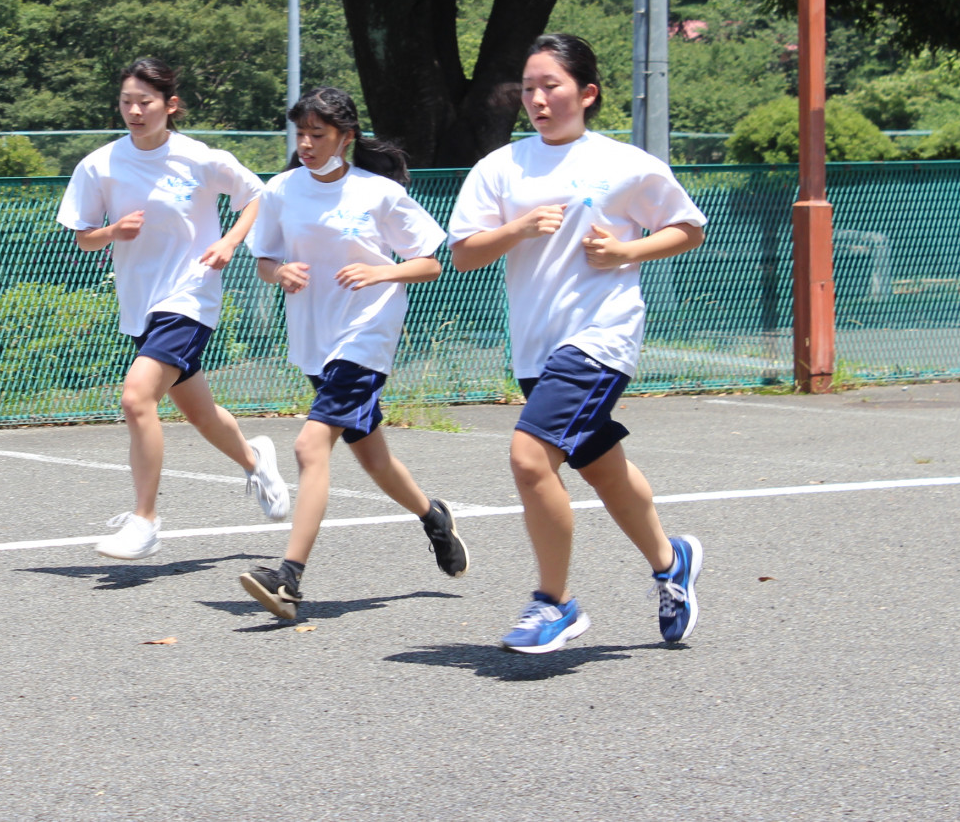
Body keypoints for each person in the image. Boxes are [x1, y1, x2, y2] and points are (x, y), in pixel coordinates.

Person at [447, 33, 707, 654]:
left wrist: (626, 250)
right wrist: (515, 228)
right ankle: (672, 563)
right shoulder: (501, 167)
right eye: (529, 88)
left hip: (600, 337)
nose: (537, 99)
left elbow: (688, 227)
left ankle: (554, 604)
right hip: (536, 347)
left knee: (529, 457)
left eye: (551, 86)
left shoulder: (624, 163)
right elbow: (461, 254)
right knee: (602, 469)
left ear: (587, 94)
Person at [236, 86, 470, 620]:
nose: (307, 144)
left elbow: (430, 263)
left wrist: (381, 270)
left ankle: (288, 579)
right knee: (372, 455)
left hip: (367, 333)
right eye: (301, 134)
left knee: (309, 446)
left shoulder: (377, 193)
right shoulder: (280, 190)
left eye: (318, 134)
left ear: (346, 137)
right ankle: (433, 517)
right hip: (317, 338)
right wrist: (280, 272)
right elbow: (265, 259)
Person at [57, 57, 292, 560]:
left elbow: (257, 195)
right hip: (142, 304)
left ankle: (145, 520)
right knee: (200, 413)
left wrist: (230, 242)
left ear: (170, 105)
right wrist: (111, 232)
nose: (135, 111)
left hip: (190, 297)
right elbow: (82, 238)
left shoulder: (200, 158)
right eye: (126, 102)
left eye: (145, 102)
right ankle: (257, 461)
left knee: (136, 396)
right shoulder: (100, 164)